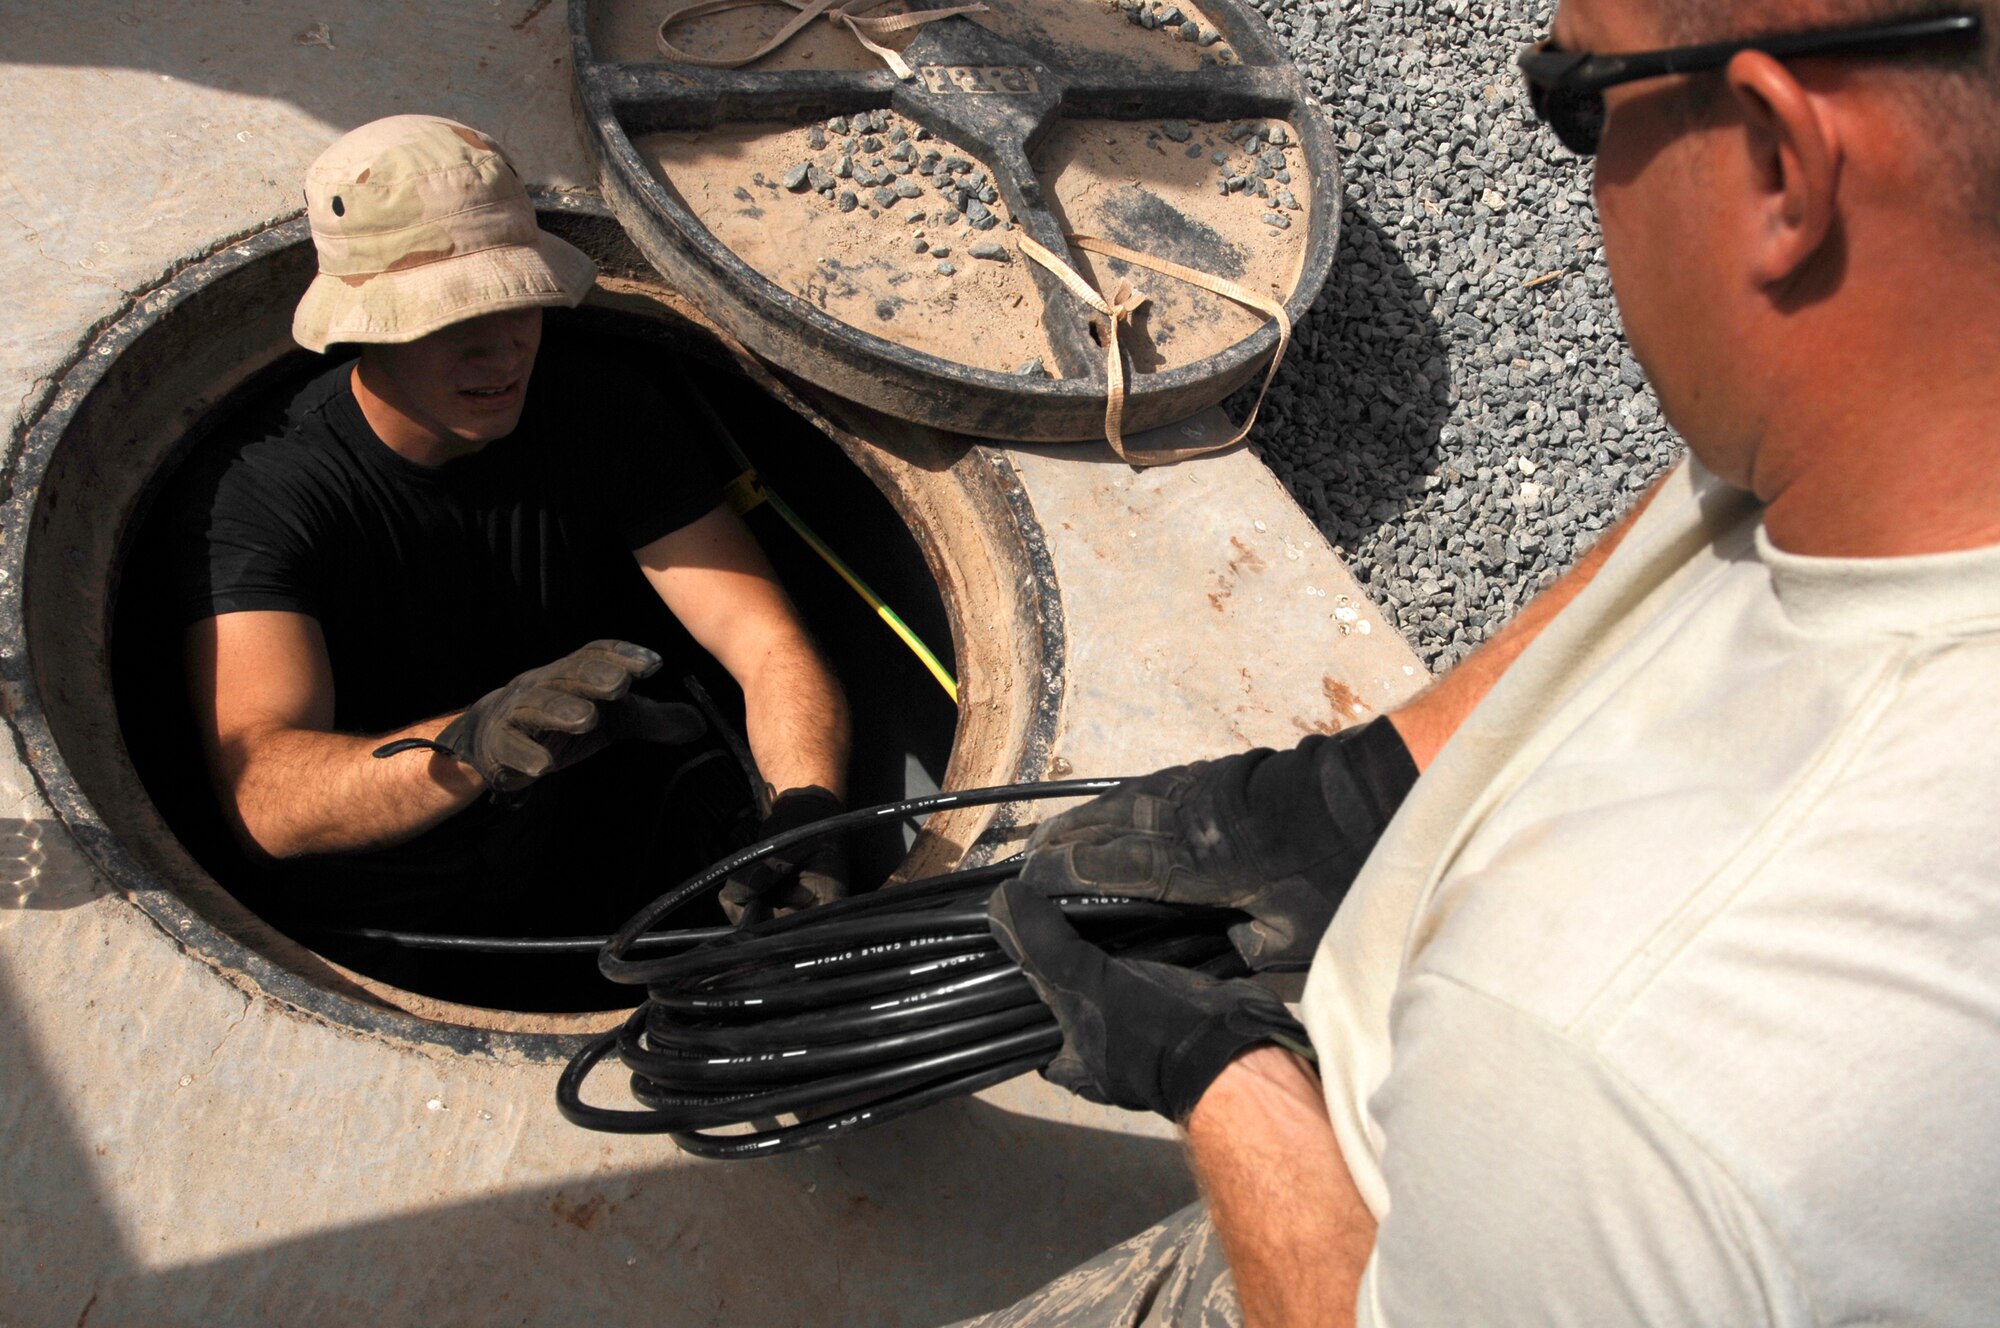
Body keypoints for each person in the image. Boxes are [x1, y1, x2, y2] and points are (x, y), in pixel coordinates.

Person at [961, 0, 2000, 1323]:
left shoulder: (1604, 1069)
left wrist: (1226, 1079)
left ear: (1780, 166)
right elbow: (1730, 472)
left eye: (1579, 96)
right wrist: (1376, 782)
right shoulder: (1906, 411)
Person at [171, 115, 851, 948]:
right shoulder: (263, 491)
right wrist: (468, 748)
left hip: (594, 862)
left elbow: (762, 640)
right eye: (450, 320)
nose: (501, 353)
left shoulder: (603, 408)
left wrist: (806, 811)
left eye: (515, 301)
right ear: (365, 326)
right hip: (393, 914)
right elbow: (266, 798)